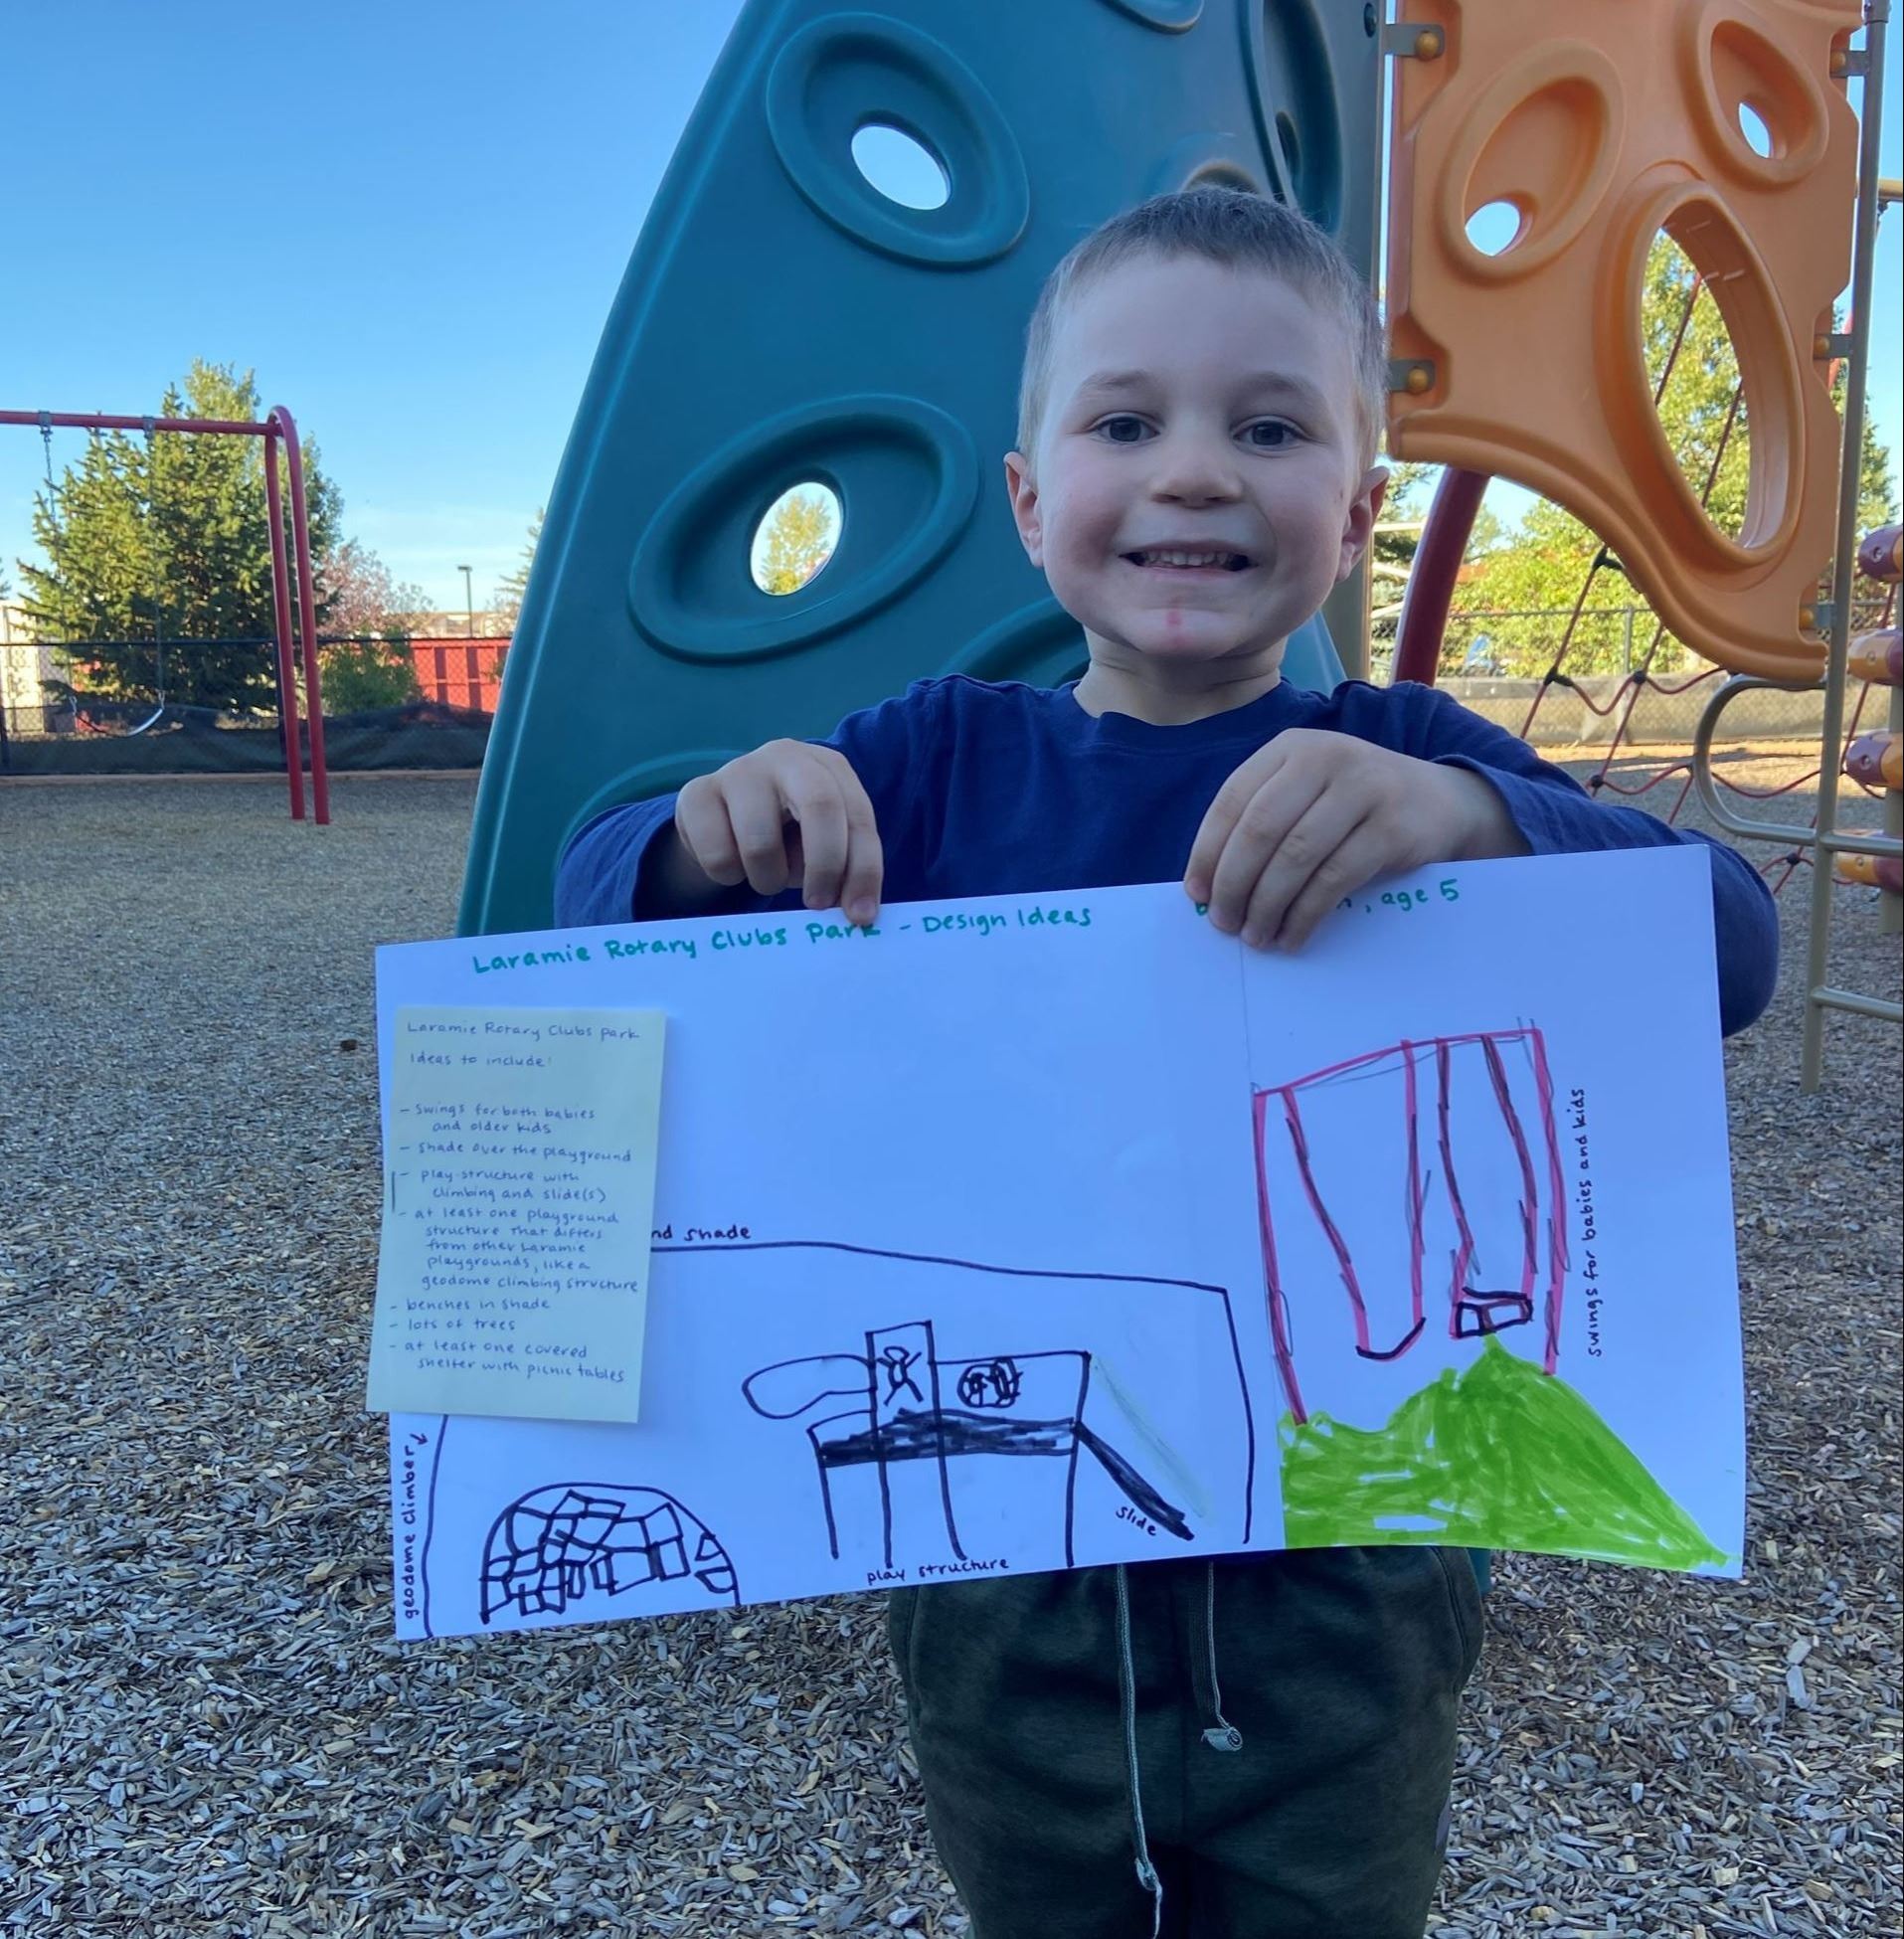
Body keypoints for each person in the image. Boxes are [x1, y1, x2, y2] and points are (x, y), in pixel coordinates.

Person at [556, 188, 1778, 1939]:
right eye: (1127, 422)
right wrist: (698, 837)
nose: (1196, 470)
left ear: (1357, 511)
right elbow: (582, 903)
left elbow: (1730, 942)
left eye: (1268, 427)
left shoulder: (1413, 756)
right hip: (999, 1584)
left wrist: (1477, 817)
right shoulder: (928, 767)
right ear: (1032, 499)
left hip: (1346, 1579)